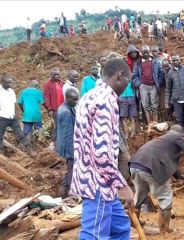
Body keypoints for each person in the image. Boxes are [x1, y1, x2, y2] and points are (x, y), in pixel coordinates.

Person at [70, 58, 134, 239]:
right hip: (98, 182)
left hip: (94, 177)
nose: (126, 88)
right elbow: (101, 152)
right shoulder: (106, 101)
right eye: (127, 83)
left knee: (120, 228)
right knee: (95, 235)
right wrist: (121, 185)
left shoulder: (90, 95)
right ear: (120, 76)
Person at [130, 125, 184, 234]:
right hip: (150, 167)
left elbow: (169, 166)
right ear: (181, 134)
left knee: (139, 195)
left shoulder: (161, 143)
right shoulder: (176, 136)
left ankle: (133, 221)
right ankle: (164, 229)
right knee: (165, 196)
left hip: (135, 165)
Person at [0, 74, 33, 155]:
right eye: (9, 83)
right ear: (3, 82)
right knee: (0, 136)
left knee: (20, 134)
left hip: (12, 117)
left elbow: (14, 104)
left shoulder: (11, 92)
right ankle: (1, 153)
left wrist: (16, 115)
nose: (11, 84)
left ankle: (30, 150)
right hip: (2, 117)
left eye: (11, 82)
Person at [56, 88, 79, 198]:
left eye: (77, 99)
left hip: (64, 144)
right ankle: (72, 192)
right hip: (68, 145)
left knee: (71, 167)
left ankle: (63, 191)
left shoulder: (64, 107)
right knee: (72, 168)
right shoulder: (66, 112)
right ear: (67, 98)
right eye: (74, 100)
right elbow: (68, 134)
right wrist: (72, 152)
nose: (76, 102)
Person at [133, 45, 164, 124]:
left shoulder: (155, 61)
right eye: (144, 52)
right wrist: (139, 84)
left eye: (147, 52)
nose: (145, 54)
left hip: (153, 86)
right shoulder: (138, 63)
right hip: (143, 86)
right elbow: (134, 75)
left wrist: (158, 82)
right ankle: (149, 125)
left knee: (154, 105)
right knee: (145, 106)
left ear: (149, 52)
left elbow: (161, 73)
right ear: (141, 53)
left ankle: (155, 124)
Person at [121, 45, 139, 139]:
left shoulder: (131, 76)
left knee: (133, 115)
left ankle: (133, 133)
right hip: (123, 97)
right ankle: (127, 134)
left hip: (132, 95)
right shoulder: (118, 78)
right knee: (123, 117)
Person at [43, 68, 65, 143]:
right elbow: (46, 97)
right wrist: (49, 109)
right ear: (51, 75)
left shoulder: (62, 83)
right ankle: (53, 142)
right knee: (56, 126)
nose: (56, 76)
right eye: (54, 74)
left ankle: (62, 141)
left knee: (63, 125)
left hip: (64, 108)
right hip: (55, 109)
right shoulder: (47, 84)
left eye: (58, 74)